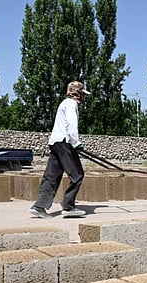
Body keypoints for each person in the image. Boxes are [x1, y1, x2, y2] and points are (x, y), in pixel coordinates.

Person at [29, 81, 90, 219]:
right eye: (83, 94)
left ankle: (39, 206)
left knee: (51, 176)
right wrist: (76, 143)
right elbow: (71, 124)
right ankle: (68, 207)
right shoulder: (71, 104)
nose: (83, 98)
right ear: (78, 93)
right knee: (77, 174)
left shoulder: (63, 103)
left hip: (55, 142)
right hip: (65, 142)